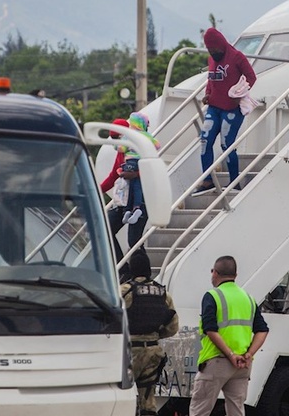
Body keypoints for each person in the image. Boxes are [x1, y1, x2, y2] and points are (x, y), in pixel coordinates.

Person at [189, 256, 269, 416]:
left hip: (217, 361)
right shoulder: (248, 298)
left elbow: (210, 329)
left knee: (200, 410)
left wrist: (230, 355)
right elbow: (262, 330)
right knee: (236, 411)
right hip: (242, 366)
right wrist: (249, 354)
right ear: (236, 275)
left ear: (215, 273)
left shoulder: (212, 296)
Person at [193, 28, 257, 197]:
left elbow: (251, 77)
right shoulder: (212, 59)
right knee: (205, 141)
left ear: (221, 44)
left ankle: (235, 181)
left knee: (226, 144)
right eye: (209, 50)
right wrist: (207, 94)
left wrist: (239, 93)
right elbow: (211, 79)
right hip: (214, 107)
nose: (213, 53)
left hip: (231, 109)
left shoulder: (237, 57)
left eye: (215, 50)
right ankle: (207, 180)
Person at [120, 250, 179, 416]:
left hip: (128, 352)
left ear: (132, 269)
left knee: (122, 397)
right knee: (148, 400)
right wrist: (154, 336)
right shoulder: (163, 294)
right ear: (148, 269)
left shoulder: (124, 291)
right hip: (153, 352)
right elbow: (173, 327)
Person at [100, 118, 142, 280]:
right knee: (106, 229)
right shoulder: (121, 151)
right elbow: (113, 176)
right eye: (115, 139)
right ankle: (122, 269)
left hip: (137, 200)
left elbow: (150, 169)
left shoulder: (138, 146)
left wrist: (135, 174)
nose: (118, 141)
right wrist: (96, 191)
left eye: (119, 137)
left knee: (134, 241)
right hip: (123, 200)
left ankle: (141, 274)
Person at [119, 112, 159, 226]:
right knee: (137, 185)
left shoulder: (128, 135)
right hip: (142, 161)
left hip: (130, 162)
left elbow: (121, 148)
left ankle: (127, 209)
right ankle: (137, 207)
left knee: (129, 186)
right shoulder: (147, 136)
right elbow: (157, 145)